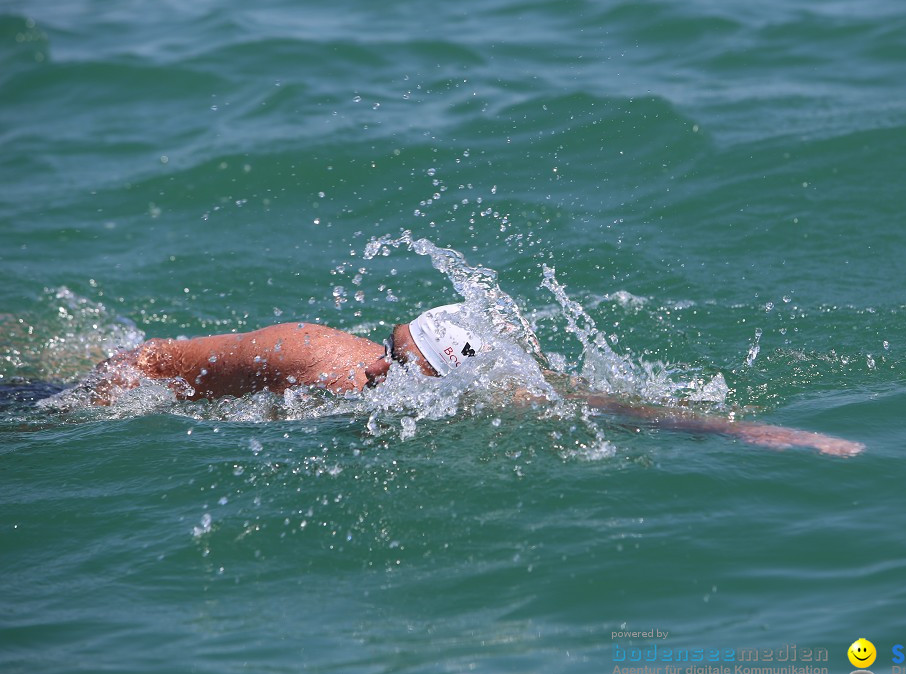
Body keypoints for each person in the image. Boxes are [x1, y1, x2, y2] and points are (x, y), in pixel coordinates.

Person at [88, 304, 864, 457]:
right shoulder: (307, 352)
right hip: (127, 392)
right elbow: (147, 362)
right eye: (392, 372)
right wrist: (87, 417)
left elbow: (615, 408)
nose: (387, 387)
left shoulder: (498, 392)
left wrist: (757, 433)